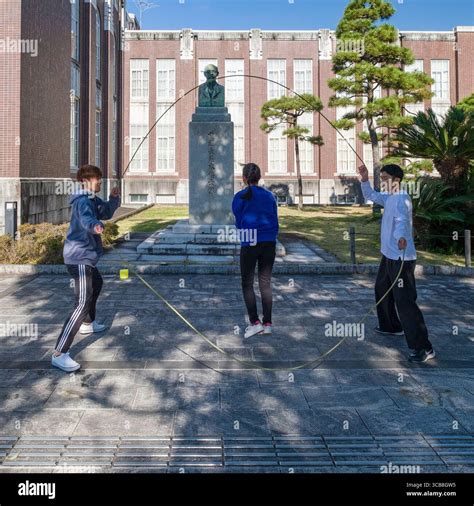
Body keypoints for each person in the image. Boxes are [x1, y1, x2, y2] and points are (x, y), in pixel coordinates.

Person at [358, 163, 435, 363]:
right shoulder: (390, 197)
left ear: (396, 179)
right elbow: (371, 196)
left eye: (385, 178)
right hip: (388, 255)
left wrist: (401, 237)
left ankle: (424, 347)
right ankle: (391, 326)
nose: (382, 181)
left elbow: (402, 221)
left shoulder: (401, 199)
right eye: (381, 178)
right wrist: (365, 178)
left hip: (401, 258)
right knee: (381, 289)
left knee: (405, 301)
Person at [52, 165, 121, 372]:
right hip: (79, 257)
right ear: (85, 181)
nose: (100, 182)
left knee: (97, 283)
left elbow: (105, 212)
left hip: (86, 257)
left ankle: (88, 323)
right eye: (97, 179)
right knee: (81, 301)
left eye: (100, 179)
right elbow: (87, 219)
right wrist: (95, 226)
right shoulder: (83, 200)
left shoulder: (92, 199)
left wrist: (113, 198)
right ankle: (59, 353)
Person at [232, 163, 279, 339]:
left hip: (250, 241)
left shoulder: (239, 197)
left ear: (244, 178)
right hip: (269, 242)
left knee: (247, 283)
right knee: (265, 283)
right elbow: (275, 218)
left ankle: (255, 322)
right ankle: (267, 323)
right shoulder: (270, 196)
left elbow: (238, 221)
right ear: (259, 177)